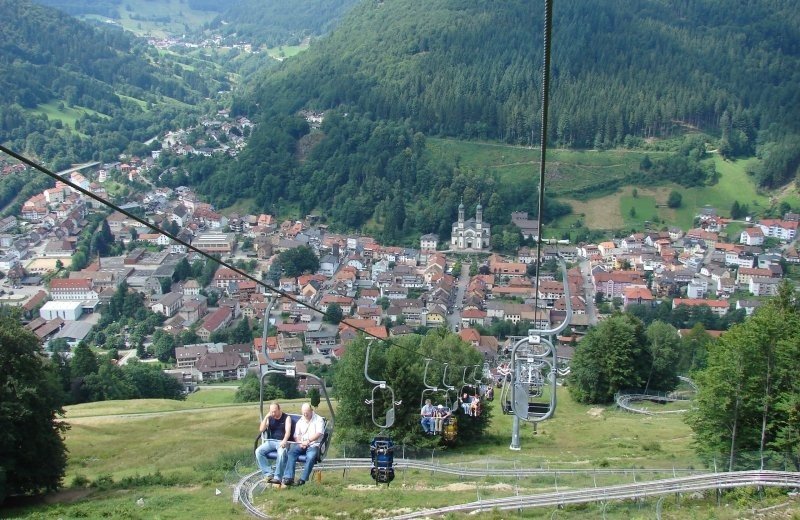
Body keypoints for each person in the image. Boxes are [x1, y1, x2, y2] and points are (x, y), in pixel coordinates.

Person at [281, 403, 326, 486]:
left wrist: (308, 441)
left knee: (310, 456)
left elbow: (319, 433)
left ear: (311, 411)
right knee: (291, 452)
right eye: (304, 413)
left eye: (307, 413)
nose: (305, 415)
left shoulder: (318, 420)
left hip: (314, 445)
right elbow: (296, 435)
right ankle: (289, 477)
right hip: (302, 444)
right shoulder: (300, 421)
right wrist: (300, 442)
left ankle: (303, 479)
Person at [255, 402, 293, 484]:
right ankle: (268, 474)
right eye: (271, 412)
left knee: (281, 453)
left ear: (279, 409)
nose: (273, 414)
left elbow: (288, 432)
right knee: (258, 451)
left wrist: (284, 440)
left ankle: (277, 477)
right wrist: (266, 417)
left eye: (275, 411)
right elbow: (261, 429)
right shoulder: (270, 418)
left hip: (282, 441)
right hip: (271, 441)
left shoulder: (286, 418)